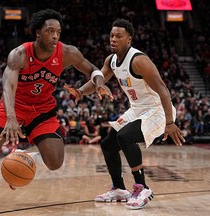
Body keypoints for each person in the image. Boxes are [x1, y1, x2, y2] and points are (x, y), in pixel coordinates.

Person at [0, 8, 113, 206]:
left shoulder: (67, 53)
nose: (55, 36)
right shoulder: (19, 54)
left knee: (55, 161)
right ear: (37, 32)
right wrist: (11, 117)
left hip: (42, 110)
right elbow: (8, 87)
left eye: (58, 32)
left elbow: (92, 69)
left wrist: (99, 82)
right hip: (14, 107)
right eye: (49, 31)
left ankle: (21, 157)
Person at [64, 18, 185, 210]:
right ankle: (119, 189)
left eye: (119, 36)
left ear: (129, 39)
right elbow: (99, 80)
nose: (113, 39)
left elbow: (163, 89)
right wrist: (79, 91)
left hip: (157, 109)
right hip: (137, 109)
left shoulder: (139, 60)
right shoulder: (111, 60)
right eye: (112, 35)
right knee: (108, 144)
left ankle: (142, 187)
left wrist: (169, 122)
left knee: (125, 136)